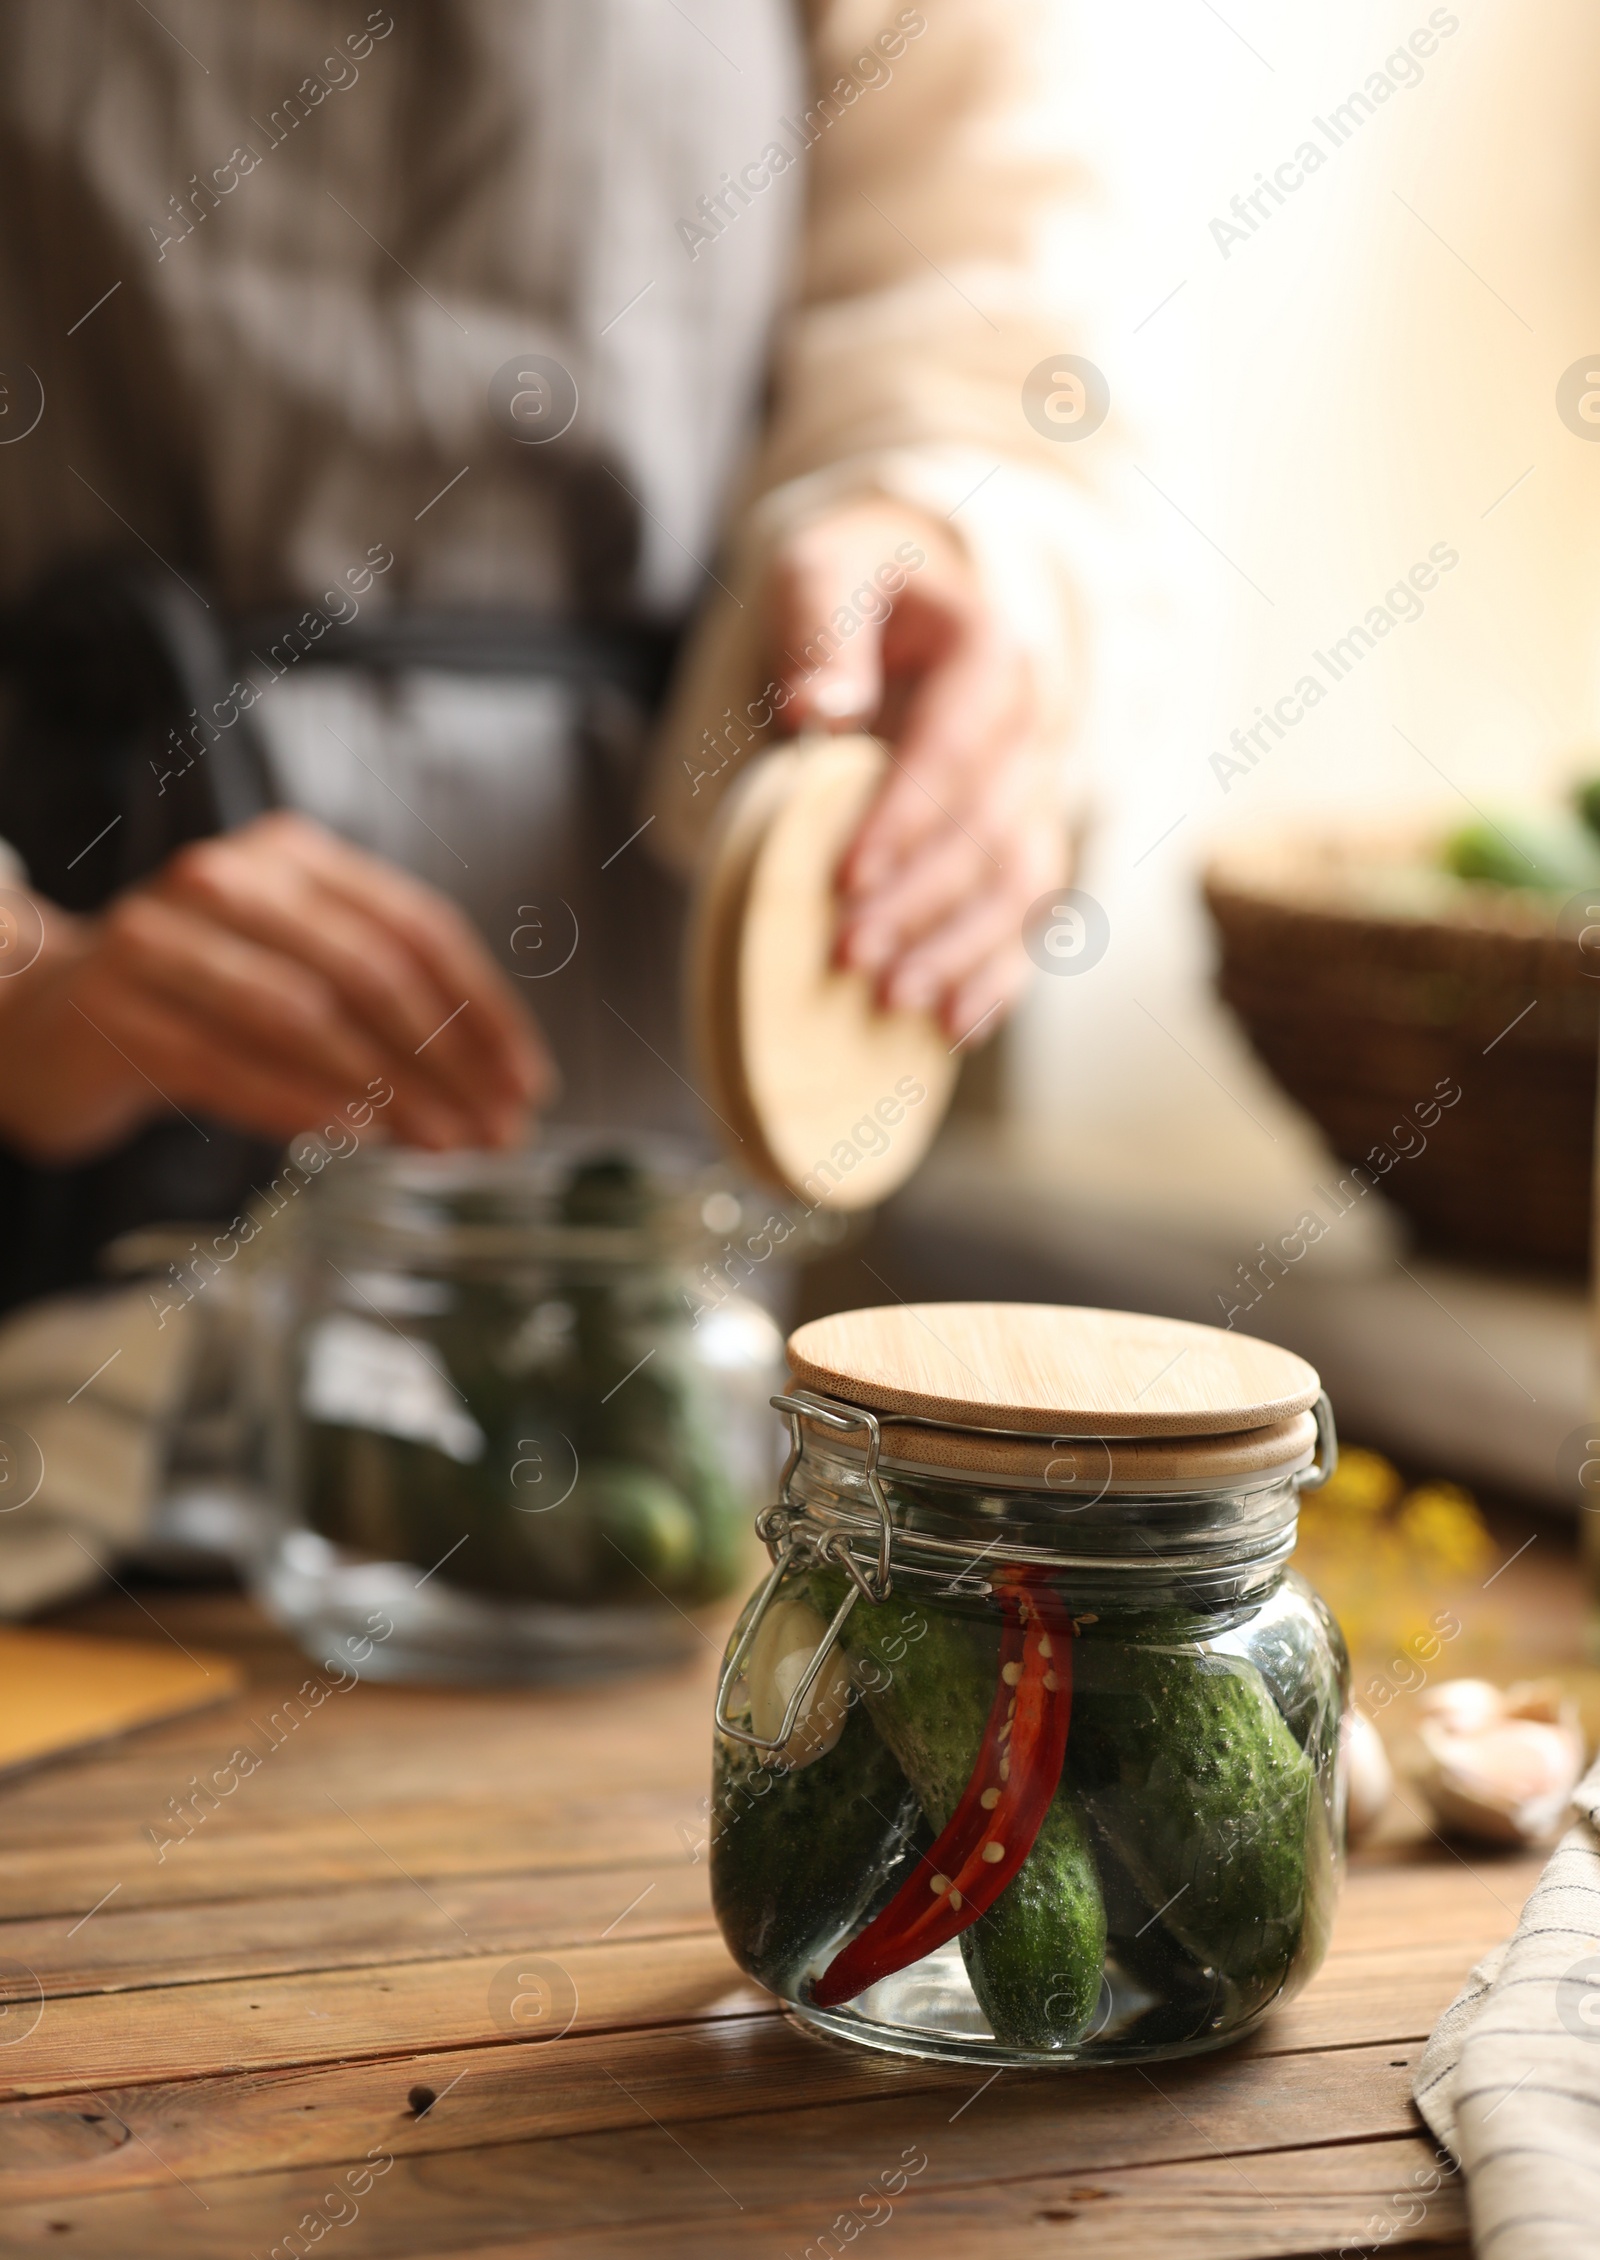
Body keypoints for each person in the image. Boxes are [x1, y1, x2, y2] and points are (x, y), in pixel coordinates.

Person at [0, 0, 1104, 1308]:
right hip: (56, 1049)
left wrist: (936, 528)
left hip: (645, 1033)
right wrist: (22, 981)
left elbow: (980, 286)